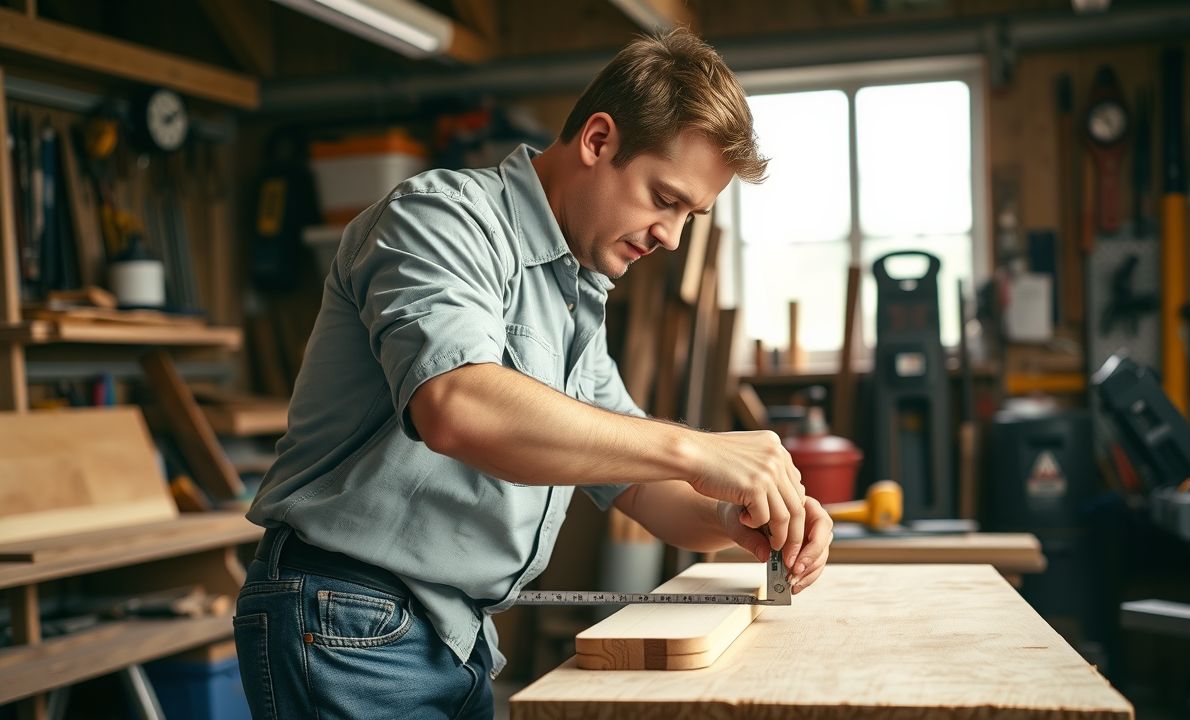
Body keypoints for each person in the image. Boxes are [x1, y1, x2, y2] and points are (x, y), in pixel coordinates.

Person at [235, 28, 834, 720]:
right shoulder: (439, 220)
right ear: (598, 140)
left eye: (691, 215)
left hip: (450, 636)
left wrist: (741, 518)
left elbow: (635, 481)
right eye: (665, 199)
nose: (672, 235)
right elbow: (457, 405)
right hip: (348, 619)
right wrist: (700, 449)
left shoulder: (571, 292)